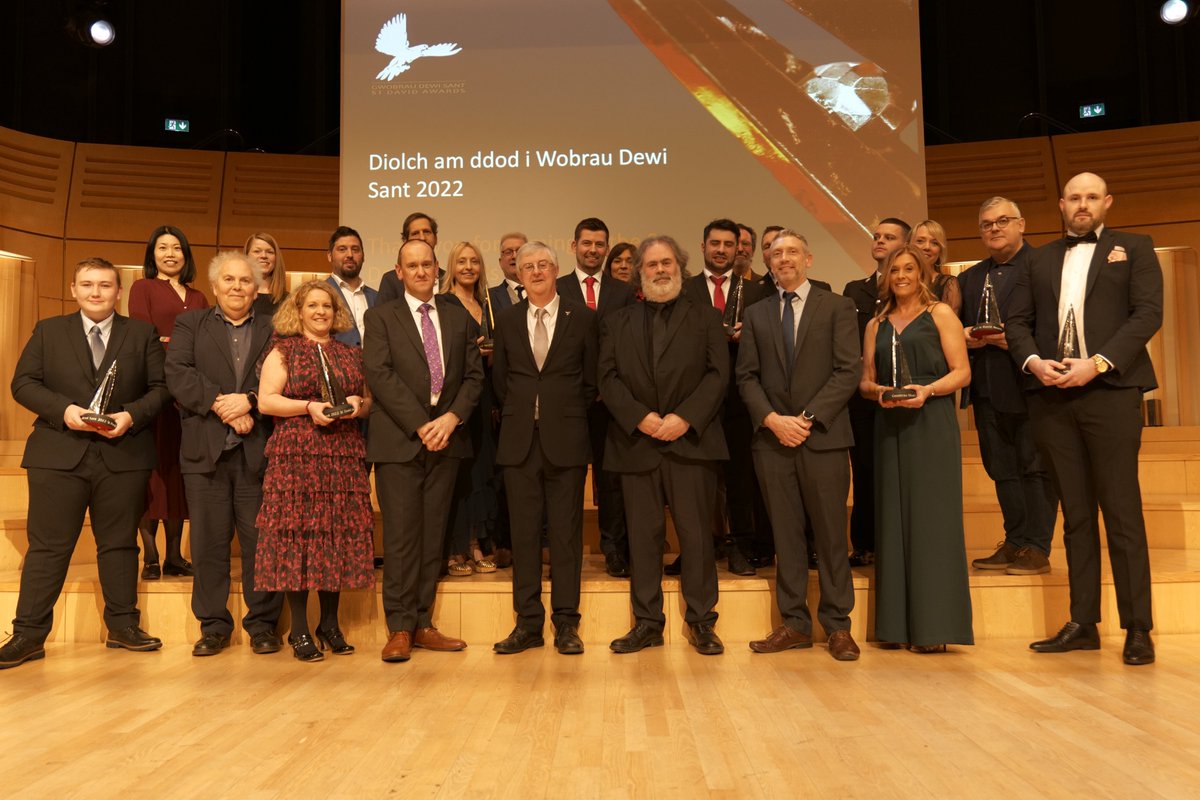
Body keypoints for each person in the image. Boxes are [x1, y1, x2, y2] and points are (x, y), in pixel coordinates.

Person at [1006, 172, 1162, 666]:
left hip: (1111, 391)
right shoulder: (1040, 257)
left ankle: (1138, 627)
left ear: (1107, 202)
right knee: (1074, 515)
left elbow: (1147, 314)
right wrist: (1034, 363)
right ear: (1061, 203)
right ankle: (1083, 622)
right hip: (1051, 396)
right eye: (1074, 197)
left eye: (1092, 197)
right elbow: (1017, 322)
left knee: (1121, 511)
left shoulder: (1135, 247)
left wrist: (1095, 364)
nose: (1082, 204)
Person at [1, 258, 171, 670]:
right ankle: (28, 634)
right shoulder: (49, 330)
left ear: (118, 291)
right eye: (87, 285)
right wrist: (65, 411)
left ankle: (123, 626)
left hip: (123, 453)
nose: (96, 292)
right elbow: (23, 383)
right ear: (74, 290)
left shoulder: (141, 333)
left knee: (118, 544)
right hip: (59, 454)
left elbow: (161, 389)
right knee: (47, 548)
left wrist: (129, 415)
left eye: (105, 285)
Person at [736, 231, 861, 661]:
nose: (783, 259)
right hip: (773, 442)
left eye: (792, 252)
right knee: (785, 537)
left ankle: (838, 626)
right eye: (775, 254)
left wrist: (805, 420)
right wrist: (772, 420)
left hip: (822, 438)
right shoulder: (756, 314)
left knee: (829, 536)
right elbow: (746, 377)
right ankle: (794, 624)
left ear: (808, 259)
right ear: (768, 263)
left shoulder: (838, 307)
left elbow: (848, 371)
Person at [601, 236, 729, 656]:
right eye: (652, 264)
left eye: (667, 262)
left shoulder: (707, 317)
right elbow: (607, 378)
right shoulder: (617, 322)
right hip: (636, 442)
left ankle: (702, 621)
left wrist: (684, 418)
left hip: (691, 441)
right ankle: (648, 622)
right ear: (640, 272)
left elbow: (717, 375)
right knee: (643, 538)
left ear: (681, 267)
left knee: (696, 537)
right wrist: (641, 417)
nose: (660, 269)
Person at [364, 239, 482, 663]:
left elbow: (473, 378)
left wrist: (451, 419)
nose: (419, 271)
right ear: (399, 271)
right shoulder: (380, 317)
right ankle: (398, 627)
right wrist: (420, 423)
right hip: (401, 440)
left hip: (446, 440)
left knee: (433, 537)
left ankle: (422, 623)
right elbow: (379, 373)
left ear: (437, 269)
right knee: (400, 538)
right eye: (411, 265)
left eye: (426, 264)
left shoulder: (458, 316)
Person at [165, 251, 284, 656]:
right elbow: (178, 374)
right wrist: (223, 406)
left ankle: (263, 624)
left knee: (261, 544)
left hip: (260, 453)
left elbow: (284, 378)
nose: (237, 287)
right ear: (215, 287)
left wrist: (250, 401)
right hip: (205, 452)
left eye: (245, 281)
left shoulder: (275, 328)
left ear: (257, 288)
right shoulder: (190, 324)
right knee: (208, 544)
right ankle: (214, 626)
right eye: (228, 281)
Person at [860, 245, 973, 652]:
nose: (902, 276)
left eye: (909, 269)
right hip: (890, 425)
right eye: (895, 270)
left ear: (922, 273)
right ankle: (895, 627)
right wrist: (882, 392)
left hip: (932, 423)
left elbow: (962, 372)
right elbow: (864, 382)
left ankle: (934, 628)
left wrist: (927, 390)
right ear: (886, 277)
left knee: (932, 521)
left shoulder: (940, 313)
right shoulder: (876, 323)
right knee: (892, 520)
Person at [255, 280, 375, 662]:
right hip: (297, 456)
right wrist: (308, 407)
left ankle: (330, 625)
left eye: (327, 305)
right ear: (299, 311)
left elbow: (370, 402)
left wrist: (358, 404)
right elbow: (266, 402)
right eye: (313, 305)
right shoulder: (283, 349)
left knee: (334, 537)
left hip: (341, 453)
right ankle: (300, 631)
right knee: (298, 537)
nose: (321, 311)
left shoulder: (351, 353)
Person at [492, 241, 598, 655]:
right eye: (528, 266)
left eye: (543, 265)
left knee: (567, 537)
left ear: (556, 270)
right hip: (519, 442)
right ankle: (528, 623)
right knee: (523, 537)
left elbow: (590, 383)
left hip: (566, 440)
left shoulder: (583, 318)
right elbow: (501, 383)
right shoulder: (507, 319)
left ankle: (567, 623)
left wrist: (559, 412)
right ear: (518, 275)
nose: (536, 272)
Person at [958, 198, 1057, 576]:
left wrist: (1017, 340)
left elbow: (1055, 327)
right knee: (1001, 469)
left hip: (1032, 386)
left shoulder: (1045, 267)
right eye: (986, 224)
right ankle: (1015, 539)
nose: (994, 229)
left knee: (1035, 469)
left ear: (1022, 224)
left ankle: (1037, 546)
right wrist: (965, 335)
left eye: (1003, 221)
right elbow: (955, 327)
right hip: (985, 388)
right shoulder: (970, 277)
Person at [681, 218, 769, 576]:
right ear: (703, 247)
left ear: (739, 250)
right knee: (695, 479)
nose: (721, 250)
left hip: (739, 397)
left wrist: (751, 334)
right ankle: (696, 548)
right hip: (694, 397)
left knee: (740, 478)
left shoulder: (759, 292)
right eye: (714, 244)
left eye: (728, 245)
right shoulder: (684, 290)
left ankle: (741, 547)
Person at [557, 217, 636, 578]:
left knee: (612, 481)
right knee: (566, 481)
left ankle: (614, 548)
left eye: (599, 244)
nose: (593, 250)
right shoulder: (556, 288)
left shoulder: (623, 292)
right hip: (569, 401)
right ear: (574, 246)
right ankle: (564, 552)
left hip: (612, 402)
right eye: (586, 243)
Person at [128, 225, 208, 581]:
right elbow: (143, 335)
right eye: (162, 248)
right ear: (152, 254)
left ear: (186, 255)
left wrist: (170, 340)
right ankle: (151, 554)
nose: (170, 254)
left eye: (177, 247)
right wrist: (177, 343)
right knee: (153, 473)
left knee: (178, 474)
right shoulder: (142, 287)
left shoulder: (200, 296)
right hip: (154, 388)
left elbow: (205, 345)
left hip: (188, 394)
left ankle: (175, 554)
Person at [842, 218, 910, 567]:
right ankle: (865, 543)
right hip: (863, 396)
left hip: (906, 396)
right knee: (866, 470)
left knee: (899, 471)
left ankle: (900, 543)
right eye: (877, 236)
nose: (880, 241)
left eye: (890, 236)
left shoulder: (914, 290)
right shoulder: (855, 289)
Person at [439, 241, 500, 577]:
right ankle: (454, 549)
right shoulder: (444, 303)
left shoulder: (485, 303)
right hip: (456, 399)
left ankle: (478, 545)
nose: (468, 267)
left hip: (485, 398)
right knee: (458, 476)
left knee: (481, 473)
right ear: (452, 266)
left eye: (474, 261)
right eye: (461, 261)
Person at [325, 226, 378, 348]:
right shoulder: (319, 294)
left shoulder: (377, 297)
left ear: (363, 256)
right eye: (342, 249)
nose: (350, 254)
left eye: (355, 249)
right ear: (329, 256)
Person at [378, 212, 441, 304]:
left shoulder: (449, 278)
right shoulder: (391, 280)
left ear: (435, 238)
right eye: (415, 233)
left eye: (426, 232)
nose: (422, 237)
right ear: (405, 241)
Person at [912, 219, 963, 314]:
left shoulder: (949, 284)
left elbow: (950, 326)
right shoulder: (900, 281)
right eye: (920, 241)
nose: (927, 247)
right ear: (909, 246)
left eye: (934, 243)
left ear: (940, 250)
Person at [245, 232, 289, 316]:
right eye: (257, 251)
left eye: (270, 252)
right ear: (247, 256)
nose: (264, 256)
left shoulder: (289, 300)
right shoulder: (239, 295)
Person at [489, 231, 528, 314]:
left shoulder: (545, 292)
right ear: (500, 262)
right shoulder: (488, 297)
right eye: (508, 252)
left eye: (519, 251)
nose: (514, 256)